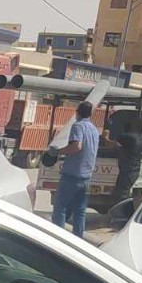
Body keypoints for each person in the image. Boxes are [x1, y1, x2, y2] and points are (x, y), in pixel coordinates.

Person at [51, 102, 99, 238]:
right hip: (86, 176)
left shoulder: (78, 126)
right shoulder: (94, 130)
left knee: (60, 207)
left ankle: (57, 238)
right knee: (80, 210)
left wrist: (59, 152)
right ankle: (78, 238)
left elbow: (76, 146)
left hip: (72, 174)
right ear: (90, 114)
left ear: (77, 113)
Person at [108, 120, 142, 207]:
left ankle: (120, 213)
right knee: (123, 192)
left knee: (121, 194)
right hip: (134, 170)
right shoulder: (141, 138)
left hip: (127, 170)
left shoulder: (128, 137)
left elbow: (113, 144)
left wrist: (105, 137)